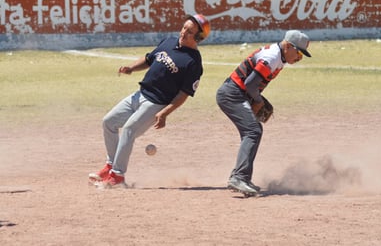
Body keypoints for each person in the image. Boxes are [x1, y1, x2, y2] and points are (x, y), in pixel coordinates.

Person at [89, 14, 211, 188]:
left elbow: (183, 94)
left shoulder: (193, 63)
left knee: (129, 130)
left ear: (198, 37)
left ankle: (117, 177)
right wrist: (131, 68)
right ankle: (110, 166)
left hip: (156, 104)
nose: (183, 33)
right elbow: (148, 59)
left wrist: (164, 113)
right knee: (109, 121)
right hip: (140, 94)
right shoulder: (169, 41)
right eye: (184, 28)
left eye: (190, 31)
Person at [216, 30, 312, 196]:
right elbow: (250, 84)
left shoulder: (279, 57)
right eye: (298, 53)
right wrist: (258, 101)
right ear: (288, 46)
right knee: (253, 131)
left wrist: (254, 99)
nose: (298, 58)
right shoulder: (272, 58)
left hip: (239, 93)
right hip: (232, 94)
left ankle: (241, 177)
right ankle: (239, 178)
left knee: (251, 131)